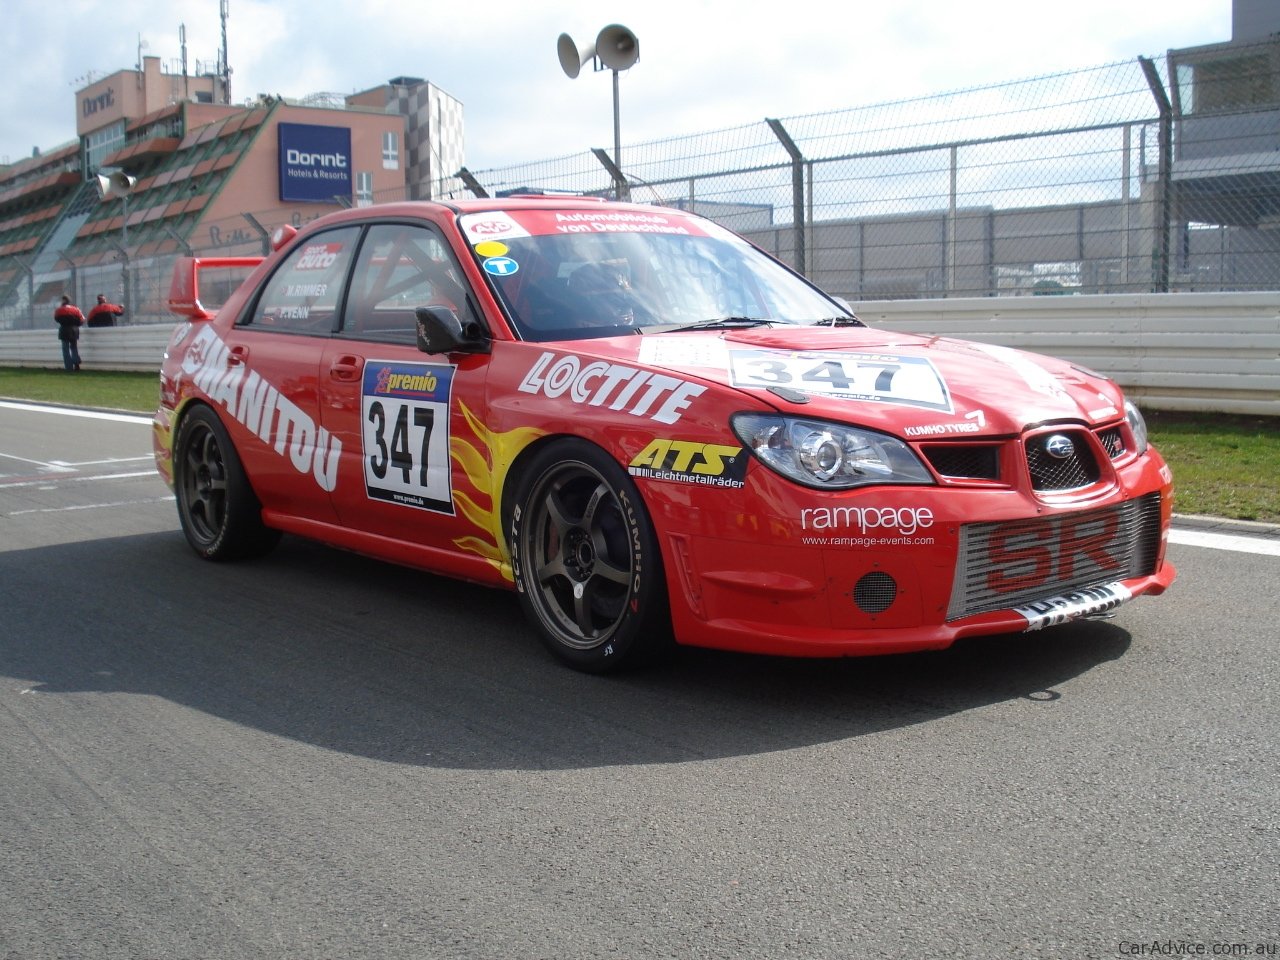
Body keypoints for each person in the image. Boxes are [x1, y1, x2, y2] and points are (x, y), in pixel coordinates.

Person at [54, 295, 85, 371]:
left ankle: (69, 367)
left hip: (64, 330)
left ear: (63, 301)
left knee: (65, 349)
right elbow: (82, 319)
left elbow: (56, 318)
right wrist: (76, 325)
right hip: (74, 330)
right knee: (74, 347)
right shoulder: (76, 309)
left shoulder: (59, 310)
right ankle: (76, 363)